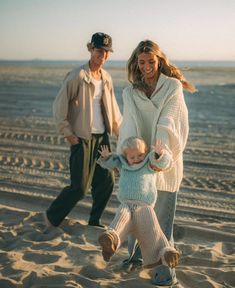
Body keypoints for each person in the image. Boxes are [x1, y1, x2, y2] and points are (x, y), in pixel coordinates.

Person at [117, 40, 196, 286]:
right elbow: (129, 125)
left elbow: (171, 121)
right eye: (142, 62)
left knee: (162, 220)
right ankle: (136, 257)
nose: (147, 66)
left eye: (151, 61)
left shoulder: (172, 86)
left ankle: (165, 272)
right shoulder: (130, 92)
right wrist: (129, 157)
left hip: (165, 162)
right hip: (139, 164)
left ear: (159, 60)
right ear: (136, 64)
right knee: (138, 212)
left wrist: (160, 156)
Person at [44, 32, 122, 229]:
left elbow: (113, 110)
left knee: (106, 182)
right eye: (99, 51)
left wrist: (122, 134)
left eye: (106, 52)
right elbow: (59, 106)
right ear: (90, 49)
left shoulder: (106, 78)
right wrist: (68, 134)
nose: (102, 55)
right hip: (82, 137)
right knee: (79, 188)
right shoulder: (77, 75)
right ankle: (51, 218)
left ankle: (94, 221)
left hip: (102, 138)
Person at [97, 136, 180, 270]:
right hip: (126, 204)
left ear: (146, 152)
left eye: (140, 155)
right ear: (125, 156)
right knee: (121, 219)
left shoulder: (148, 163)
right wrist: (106, 157)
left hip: (144, 207)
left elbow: (162, 164)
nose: (136, 159)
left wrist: (159, 154)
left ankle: (165, 253)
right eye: (132, 157)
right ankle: (110, 239)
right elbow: (110, 163)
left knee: (153, 229)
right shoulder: (122, 163)